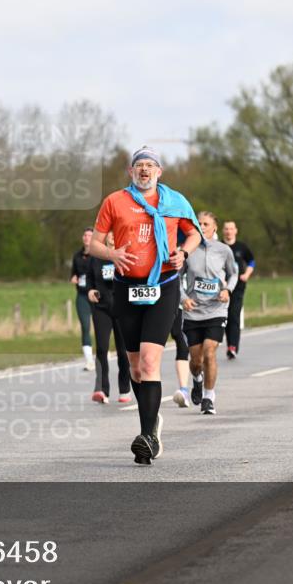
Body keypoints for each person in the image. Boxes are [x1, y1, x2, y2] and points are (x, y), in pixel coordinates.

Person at [89, 146, 202, 465]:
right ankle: (152, 423)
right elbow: (96, 243)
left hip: (163, 286)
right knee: (136, 366)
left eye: (150, 165)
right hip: (126, 289)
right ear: (131, 172)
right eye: (139, 165)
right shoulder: (115, 201)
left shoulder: (175, 201)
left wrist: (184, 253)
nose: (145, 170)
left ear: (159, 172)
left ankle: (148, 438)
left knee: (151, 362)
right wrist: (112, 255)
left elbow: (193, 235)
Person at [182, 212, 238, 414]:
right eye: (199, 223)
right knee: (196, 361)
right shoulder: (187, 250)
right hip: (193, 312)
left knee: (209, 352)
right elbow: (174, 277)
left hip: (216, 310)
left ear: (214, 228)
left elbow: (233, 273)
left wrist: (227, 290)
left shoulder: (224, 251)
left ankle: (209, 397)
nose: (202, 226)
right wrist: (183, 298)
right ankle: (197, 379)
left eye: (206, 224)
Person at [87, 232, 132, 404]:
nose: (113, 237)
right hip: (102, 307)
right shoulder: (96, 256)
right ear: (106, 237)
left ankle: (125, 389)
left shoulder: (126, 255)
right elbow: (89, 278)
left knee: (123, 351)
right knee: (102, 349)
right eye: (110, 234)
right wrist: (90, 290)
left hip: (122, 308)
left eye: (116, 232)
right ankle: (101, 389)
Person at [222, 220, 255, 360]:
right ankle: (217, 343)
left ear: (235, 230)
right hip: (221, 287)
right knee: (223, 317)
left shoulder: (242, 247)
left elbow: (251, 261)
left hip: (238, 287)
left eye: (231, 229)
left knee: (234, 316)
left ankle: (232, 347)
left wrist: (247, 274)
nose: (229, 231)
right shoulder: (220, 247)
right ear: (223, 231)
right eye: (226, 229)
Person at [71, 228, 96, 370]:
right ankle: (89, 360)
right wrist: (73, 278)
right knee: (85, 327)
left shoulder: (98, 255)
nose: (86, 238)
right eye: (85, 235)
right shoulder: (77, 256)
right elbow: (73, 274)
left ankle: (102, 354)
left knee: (101, 326)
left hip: (96, 295)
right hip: (82, 296)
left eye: (89, 235)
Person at [169, 305, 192, 408]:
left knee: (197, 350)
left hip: (196, 305)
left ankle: (197, 380)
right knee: (181, 342)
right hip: (174, 304)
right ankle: (184, 390)